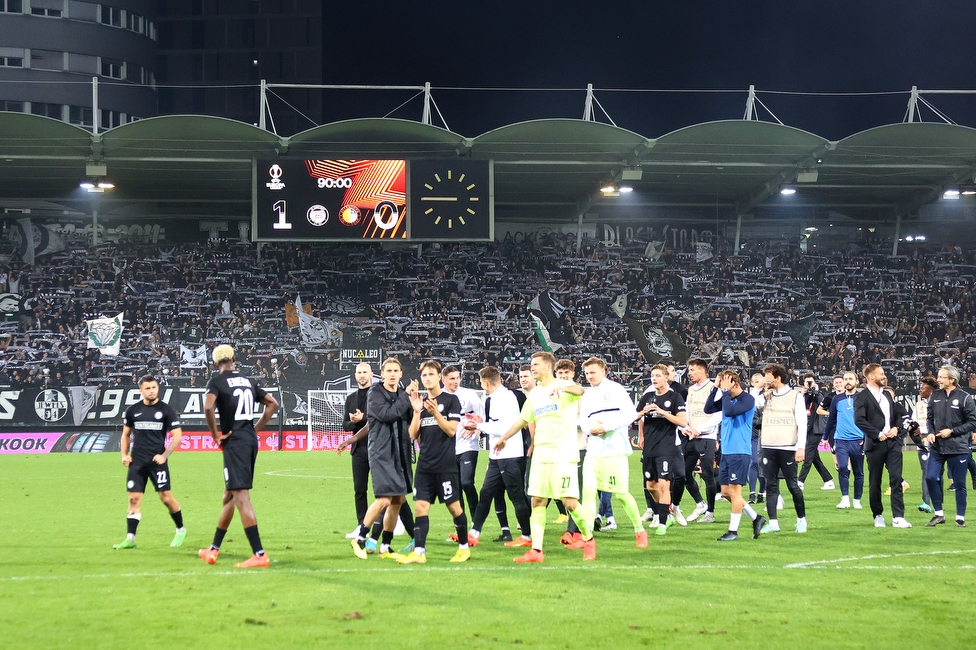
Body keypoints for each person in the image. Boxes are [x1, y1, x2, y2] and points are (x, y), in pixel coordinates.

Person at [491, 351, 594, 563]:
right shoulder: (535, 395)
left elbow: (581, 390)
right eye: (531, 364)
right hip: (541, 455)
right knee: (537, 501)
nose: (532, 368)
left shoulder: (562, 387)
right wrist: (503, 438)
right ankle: (536, 551)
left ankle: (588, 538)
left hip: (563, 454)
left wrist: (561, 386)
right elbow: (522, 419)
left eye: (535, 364)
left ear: (548, 366)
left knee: (570, 502)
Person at [199, 345, 279, 568]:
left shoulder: (216, 382)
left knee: (241, 496)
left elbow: (207, 408)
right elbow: (273, 404)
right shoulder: (247, 381)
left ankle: (259, 554)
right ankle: (213, 549)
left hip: (234, 442)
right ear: (234, 359)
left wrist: (216, 435)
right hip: (249, 440)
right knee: (230, 495)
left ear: (216, 364)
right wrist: (255, 429)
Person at [397, 360, 469, 564]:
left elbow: (451, 431)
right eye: (424, 375)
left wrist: (436, 412)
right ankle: (419, 552)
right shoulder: (418, 403)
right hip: (424, 465)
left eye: (431, 374)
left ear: (439, 377)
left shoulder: (451, 400)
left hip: (445, 466)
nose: (427, 378)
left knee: (454, 507)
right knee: (421, 507)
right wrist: (418, 411)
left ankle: (464, 547)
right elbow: (412, 435)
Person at [351, 358, 419, 560]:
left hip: (401, 454)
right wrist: (407, 397)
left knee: (398, 499)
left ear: (400, 374)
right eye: (388, 370)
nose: (392, 374)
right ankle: (361, 538)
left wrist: (416, 408)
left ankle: (385, 546)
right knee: (384, 499)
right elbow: (388, 414)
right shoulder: (375, 393)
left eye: (395, 371)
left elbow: (408, 422)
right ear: (382, 374)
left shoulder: (401, 394)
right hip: (381, 454)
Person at [577, 357, 647, 548]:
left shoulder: (615, 389)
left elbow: (632, 414)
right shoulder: (588, 395)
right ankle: (588, 536)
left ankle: (639, 529)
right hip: (594, 450)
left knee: (621, 493)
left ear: (603, 371)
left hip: (614, 450)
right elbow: (583, 420)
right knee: (589, 492)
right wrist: (589, 429)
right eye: (587, 373)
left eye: (593, 372)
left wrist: (606, 427)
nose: (590, 376)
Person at [462, 366, 533, 549]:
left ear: (485, 382)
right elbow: (496, 424)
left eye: (481, 383)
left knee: (516, 496)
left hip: (510, 455)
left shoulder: (505, 398)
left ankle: (527, 535)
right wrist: (481, 423)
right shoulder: (496, 397)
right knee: (486, 493)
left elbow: (504, 428)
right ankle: (474, 534)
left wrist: (480, 427)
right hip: (497, 455)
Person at [113, 374, 186, 550]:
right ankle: (130, 538)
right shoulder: (133, 411)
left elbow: (177, 436)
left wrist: (165, 455)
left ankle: (180, 529)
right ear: (141, 390)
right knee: (133, 498)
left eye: (154, 387)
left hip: (157, 462)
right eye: (147, 388)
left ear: (157, 388)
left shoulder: (166, 410)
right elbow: (125, 435)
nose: (151, 391)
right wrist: (124, 454)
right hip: (137, 462)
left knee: (166, 498)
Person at [704, 370, 767, 541]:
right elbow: (708, 408)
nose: (724, 386)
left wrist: (724, 393)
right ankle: (756, 518)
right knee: (725, 492)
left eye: (726, 382)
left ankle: (733, 531)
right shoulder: (727, 398)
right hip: (727, 451)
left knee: (735, 491)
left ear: (736, 384)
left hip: (740, 451)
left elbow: (731, 412)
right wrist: (715, 389)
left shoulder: (747, 399)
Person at [853, 363, 911, 528]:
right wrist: (877, 434)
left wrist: (896, 428)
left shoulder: (886, 395)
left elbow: (899, 415)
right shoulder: (862, 397)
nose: (884, 376)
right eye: (881, 373)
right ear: (871, 376)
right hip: (875, 444)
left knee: (896, 478)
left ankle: (898, 517)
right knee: (875, 481)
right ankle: (877, 514)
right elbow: (859, 420)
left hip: (893, 443)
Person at [636, 363, 688, 536]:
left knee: (664, 486)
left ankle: (663, 522)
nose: (654, 379)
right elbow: (635, 417)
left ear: (666, 377)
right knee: (651, 486)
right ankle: (666, 513)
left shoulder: (675, 398)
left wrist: (662, 412)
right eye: (653, 376)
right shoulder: (647, 397)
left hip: (666, 448)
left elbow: (682, 422)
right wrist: (641, 415)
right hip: (649, 448)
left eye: (658, 376)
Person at [756, 364, 807, 534]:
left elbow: (802, 423)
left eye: (768, 376)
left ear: (778, 377)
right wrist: (759, 385)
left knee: (793, 485)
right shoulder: (766, 395)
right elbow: (752, 401)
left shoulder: (795, 396)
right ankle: (773, 522)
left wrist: (800, 447)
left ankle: (801, 520)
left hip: (788, 447)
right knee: (771, 486)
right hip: (768, 446)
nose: (766, 379)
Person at [924, 366, 976, 527]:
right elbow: (929, 418)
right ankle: (939, 514)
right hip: (937, 447)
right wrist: (931, 432)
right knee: (930, 477)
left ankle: (960, 517)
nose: (938, 379)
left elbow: (972, 422)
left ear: (952, 380)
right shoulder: (935, 396)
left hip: (958, 448)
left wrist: (952, 431)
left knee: (959, 483)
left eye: (941, 377)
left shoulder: (965, 398)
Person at [674, 358, 721, 525]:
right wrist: (685, 427)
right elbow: (686, 412)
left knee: (707, 475)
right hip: (690, 437)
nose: (690, 373)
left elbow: (718, 415)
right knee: (683, 474)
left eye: (692, 370)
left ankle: (711, 512)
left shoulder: (714, 389)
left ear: (702, 371)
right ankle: (700, 504)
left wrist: (698, 429)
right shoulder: (691, 390)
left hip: (706, 437)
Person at [443, 365, 484, 519]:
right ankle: (461, 523)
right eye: (452, 378)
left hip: (468, 445)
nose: (456, 381)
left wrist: (476, 428)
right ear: (444, 379)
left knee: (466, 482)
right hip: (448, 448)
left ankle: (476, 520)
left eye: (458, 377)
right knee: (456, 487)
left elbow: (482, 415)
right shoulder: (440, 397)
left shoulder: (470, 395)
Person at [824, 371, 865, 510]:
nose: (847, 381)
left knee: (858, 472)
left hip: (858, 440)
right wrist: (825, 437)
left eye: (850, 379)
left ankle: (857, 500)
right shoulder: (836, 399)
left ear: (856, 381)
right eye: (845, 379)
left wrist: (867, 437)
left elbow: (870, 419)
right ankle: (845, 498)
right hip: (841, 440)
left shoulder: (863, 398)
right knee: (842, 468)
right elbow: (831, 419)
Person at [341, 363, 373, 538]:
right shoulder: (351, 398)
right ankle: (362, 526)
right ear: (355, 375)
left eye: (365, 372)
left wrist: (363, 418)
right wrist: (354, 421)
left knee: (382, 490)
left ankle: (388, 521)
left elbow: (378, 418)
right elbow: (344, 425)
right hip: (358, 450)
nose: (362, 375)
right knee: (359, 489)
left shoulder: (376, 395)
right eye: (359, 372)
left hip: (376, 447)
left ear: (371, 374)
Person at [797, 373, 835, 491]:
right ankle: (828, 481)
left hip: (816, 430)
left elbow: (822, 404)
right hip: (805, 429)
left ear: (815, 382)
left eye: (811, 382)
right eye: (807, 382)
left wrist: (816, 392)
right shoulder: (800, 396)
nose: (809, 385)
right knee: (814, 457)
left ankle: (800, 481)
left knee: (808, 455)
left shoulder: (819, 394)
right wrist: (801, 395)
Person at [907, 376, 937, 514]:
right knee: (926, 473)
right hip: (923, 445)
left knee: (936, 474)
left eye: (923, 387)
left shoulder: (938, 403)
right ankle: (926, 502)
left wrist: (923, 430)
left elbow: (940, 424)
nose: (920, 389)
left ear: (930, 390)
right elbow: (914, 422)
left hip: (936, 444)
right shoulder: (918, 405)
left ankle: (937, 503)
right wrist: (912, 428)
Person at [747, 373, 767, 506]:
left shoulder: (769, 397)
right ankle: (752, 493)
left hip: (767, 435)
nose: (762, 384)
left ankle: (761, 492)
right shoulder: (751, 398)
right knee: (754, 462)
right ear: (753, 383)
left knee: (764, 464)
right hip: (754, 435)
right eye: (759, 382)